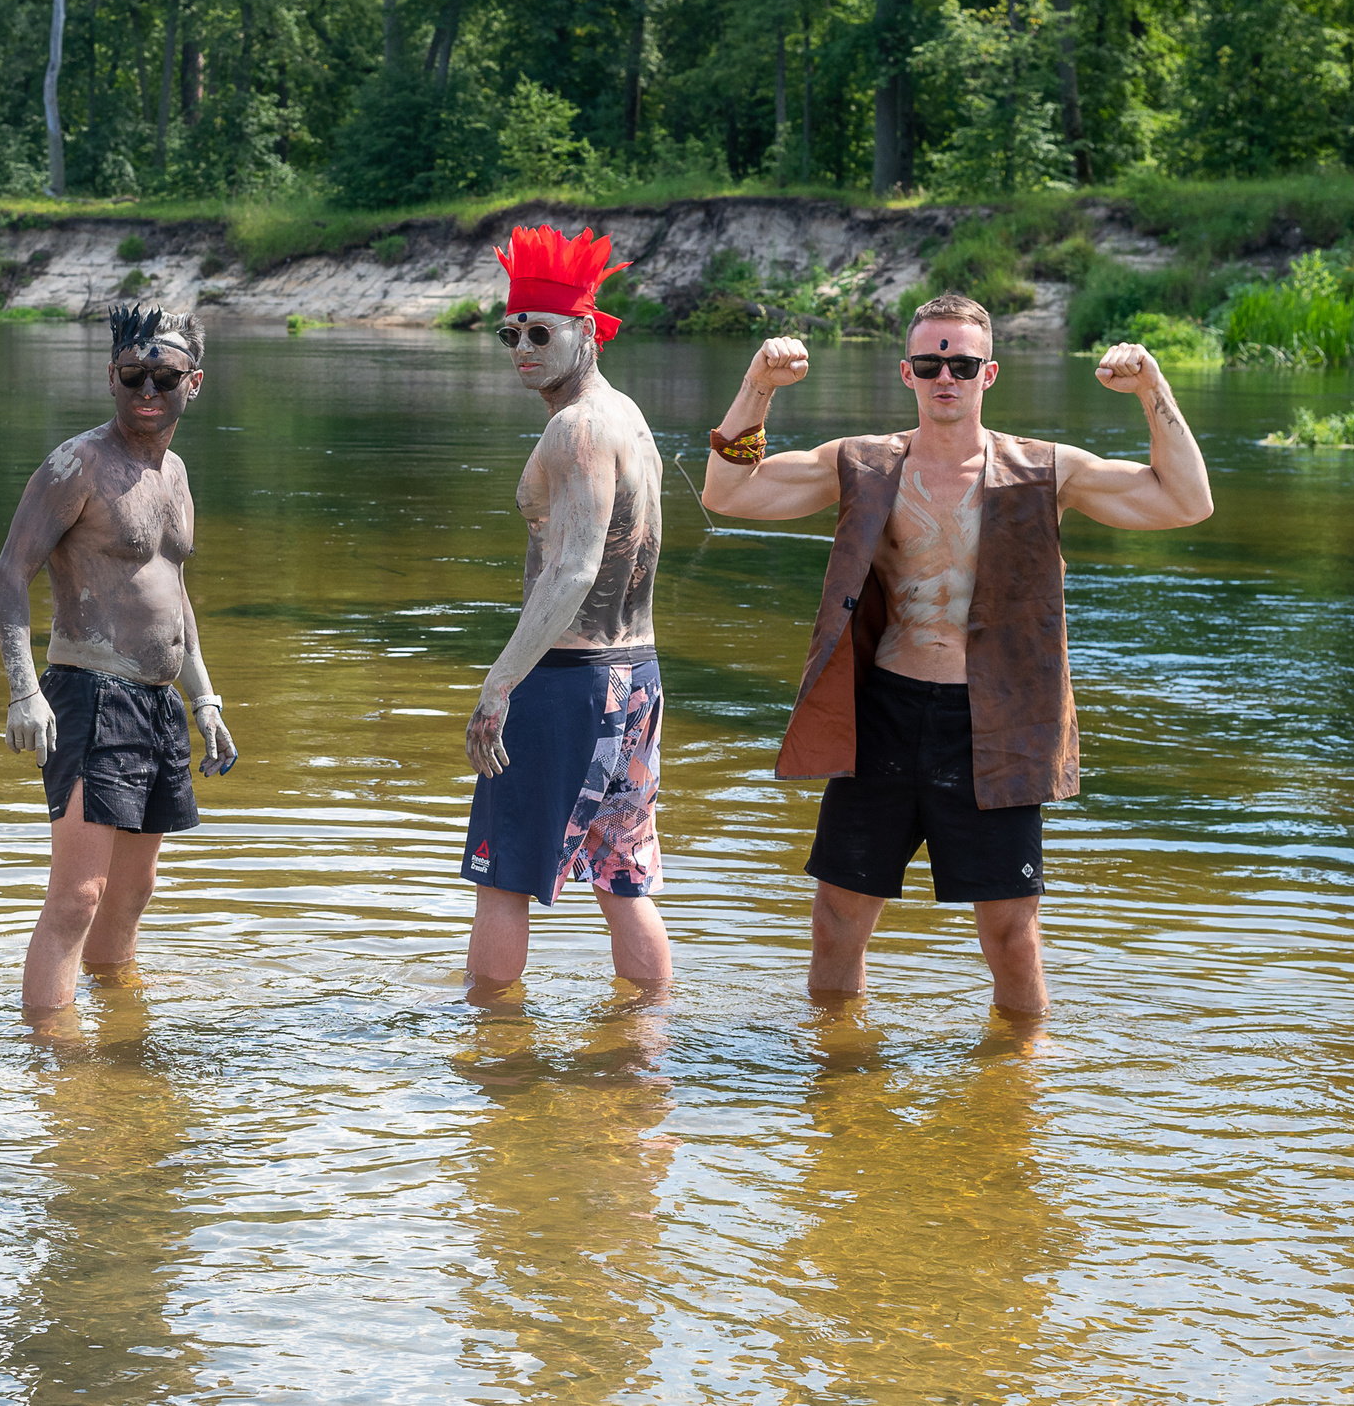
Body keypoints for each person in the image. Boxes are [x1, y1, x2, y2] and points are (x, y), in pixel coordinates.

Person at [699, 292, 1213, 1016]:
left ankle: (1017, 1094)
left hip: (992, 725)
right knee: (836, 921)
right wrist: (757, 385)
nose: (946, 376)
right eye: (930, 362)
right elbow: (729, 491)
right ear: (905, 372)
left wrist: (1154, 390)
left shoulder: (1042, 471)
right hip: (883, 711)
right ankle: (837, 1080)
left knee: (1011, 934)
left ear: (988, 373)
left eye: (962, 363)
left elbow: (1185, 502)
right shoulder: (862, 465)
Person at [0, 305, 238, 1016]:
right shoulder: (79, 465)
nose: (147, 390)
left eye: (164, 375)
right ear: (111, 377)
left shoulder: (177, 474)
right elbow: (9, 574)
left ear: (195, 382)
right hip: (88, 695)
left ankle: (117, 1021)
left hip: (158, 703)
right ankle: (53, 1056)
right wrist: (22, 691)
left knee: (133, 891)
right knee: (78, 896)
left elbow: (173, 589)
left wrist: (205, 699)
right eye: (133, 374)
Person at [459, 225, 670, 993]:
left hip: (569, 680)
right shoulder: (630, 419)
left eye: (540, 331)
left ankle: (488, 1059)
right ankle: (647, 1047)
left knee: (502, 875)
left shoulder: (576, 428)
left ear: (587, 332)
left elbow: (575, 568)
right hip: (636, 678)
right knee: (623, 878)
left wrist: (499, 684)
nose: (523, 346)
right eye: (510, 331)